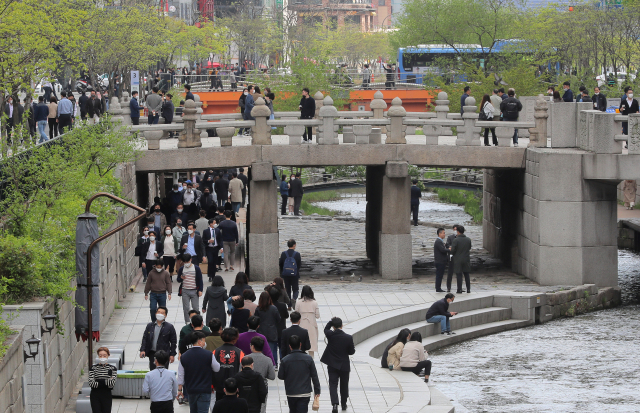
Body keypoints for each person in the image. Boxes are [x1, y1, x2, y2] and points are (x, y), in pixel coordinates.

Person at [178, 331, 221, 413]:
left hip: (191, 390)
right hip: (205, 389)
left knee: (193, 411)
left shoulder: (184, 356)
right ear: (199, 341)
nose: (205, 343)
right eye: (204, 341)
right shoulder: (208, 354)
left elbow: (181, 374)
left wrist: (180, 390)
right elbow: (217, 368)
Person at [278, 335, 321, 413]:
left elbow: (280, 376)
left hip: (291, 392)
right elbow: (314, 375)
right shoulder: (308, 359)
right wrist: (317, 390)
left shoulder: (285, 360)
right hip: (305, 392)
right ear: (300, 344)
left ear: (290, 346)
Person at [321, 317, 355, 413]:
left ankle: (335, 404)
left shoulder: (330, 335)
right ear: (342, 325)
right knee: (344, 385)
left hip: (332, 364)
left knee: (333, 384)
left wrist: (330, 322)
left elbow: (325, 329)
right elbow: (351, 352)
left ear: (333, 326)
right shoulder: (348, 337)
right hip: (344, 365)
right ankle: (344, 404)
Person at [212, 328, 245, 401]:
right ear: (235, 338)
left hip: (219, 386)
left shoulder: (215, 351)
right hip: (234, 386)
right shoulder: (239, 352)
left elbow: (211, 369)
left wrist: (212, 385)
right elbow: (242, 370)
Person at [248, 336, 276, 413]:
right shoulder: (267, 360)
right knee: (262, 408)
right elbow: (272, 376)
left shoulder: (246, 358)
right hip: (262, 386)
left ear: (252, 346)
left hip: (248, 386)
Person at [254, 292, 282, 365]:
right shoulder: (273, 308)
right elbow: (278, 319)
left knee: (261, 349)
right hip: (272, 331)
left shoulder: (258, 309)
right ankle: (274, 364)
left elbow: (256, 320)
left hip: (261, 331)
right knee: (273, 350)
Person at [89, 347, 117, 413]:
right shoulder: (93, 368)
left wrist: (98, 380)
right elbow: (91, 383)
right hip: (95, 395)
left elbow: (112, 383)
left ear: (108, 355)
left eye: (104, 355)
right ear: (98, 356)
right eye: (100, 355)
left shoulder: (112, 368)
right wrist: (106, 381)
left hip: (106, 394)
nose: (102, 357)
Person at [295, 286, 319, 358]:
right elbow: (317, 316)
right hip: (311, 325)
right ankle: (311, 361)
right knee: (311, 346)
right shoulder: (314, 303)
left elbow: (296, 313)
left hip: (301, 324)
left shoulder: (298, 302)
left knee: (301, 344)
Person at [280, 239, 302, 307]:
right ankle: (294, 298)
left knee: (288, 289)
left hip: (286, 275)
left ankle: (289, 306)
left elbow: (281, 264)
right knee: (295, 289)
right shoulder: (297, 254)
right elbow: (299, 265)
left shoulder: (283, 254)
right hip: (294, 275)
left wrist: (283, 272)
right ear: (294, 245)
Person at [450, 225, 471, 294]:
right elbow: (469, 248)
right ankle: (468, 289)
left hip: (458, 260)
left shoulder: (456, 240)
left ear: (458, 232)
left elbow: (452, 251)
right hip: (466, 259)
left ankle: (459, 289)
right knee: (466, 274)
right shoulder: (468, 239)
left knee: (459, 274)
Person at [445, 225, 459, 293]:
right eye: (454, 229)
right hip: (451, 257)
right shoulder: (450, 237)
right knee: (450, 273)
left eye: (456, 229)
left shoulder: (461, 237)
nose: (455, 231)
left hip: (458, 258)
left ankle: (459, 287)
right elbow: (447, 245)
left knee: (459, 273)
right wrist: (451, 247)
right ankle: (448, 287)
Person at [433, 228, 447, 293]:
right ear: (440, 234)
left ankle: (438, 287)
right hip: (440, 261)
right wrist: (449, 249)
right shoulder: (438, 241)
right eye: (443, 233)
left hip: (441, 261)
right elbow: (442, 250)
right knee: (439, 275)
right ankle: (438, 288)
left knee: (440, 275)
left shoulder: (440, 241)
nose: (444, 234)